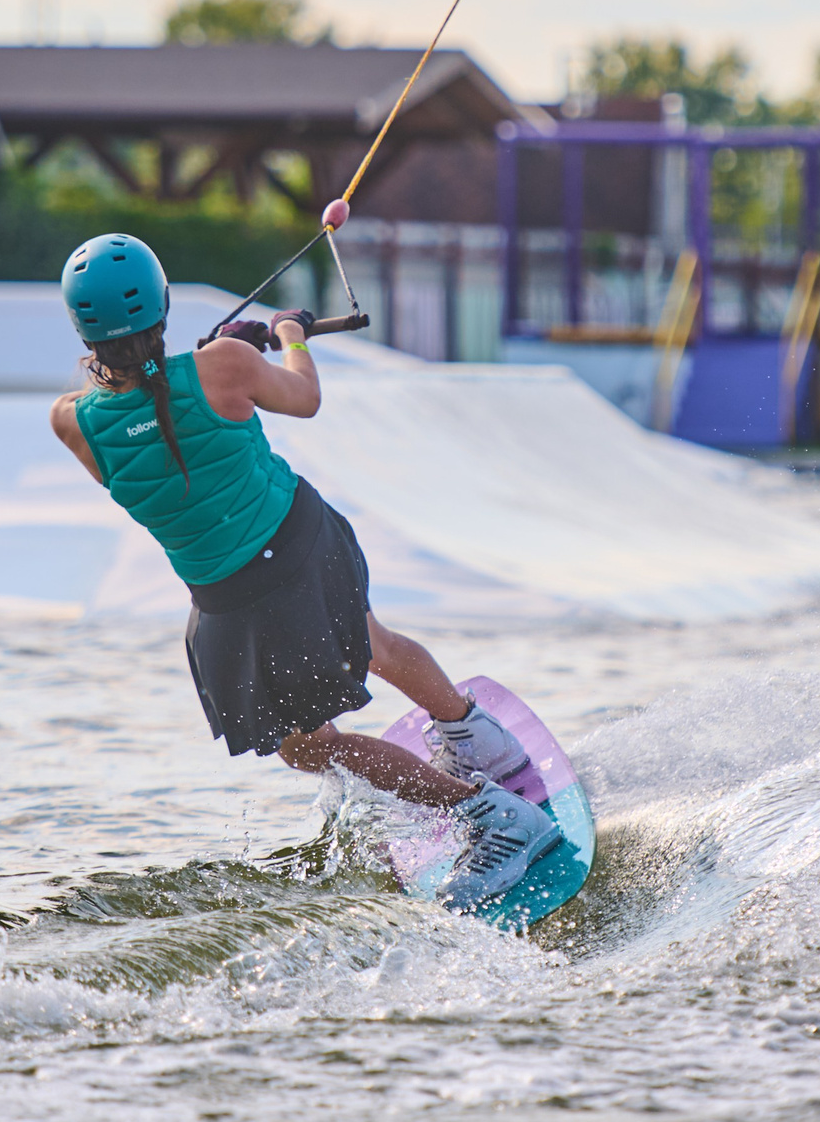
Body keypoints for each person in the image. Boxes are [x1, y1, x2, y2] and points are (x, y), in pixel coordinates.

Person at [48, 233, 561, 912]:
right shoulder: (225, 366)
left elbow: (138, 444)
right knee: (374, 644)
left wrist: (196, 363)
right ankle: (475, 737)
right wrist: (289, 335)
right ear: (164, 302)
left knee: (311, 747)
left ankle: (493, 817)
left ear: (80, 325)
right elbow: (304, 396)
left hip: (231, 594)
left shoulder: (71, 421)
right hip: (300, 538)